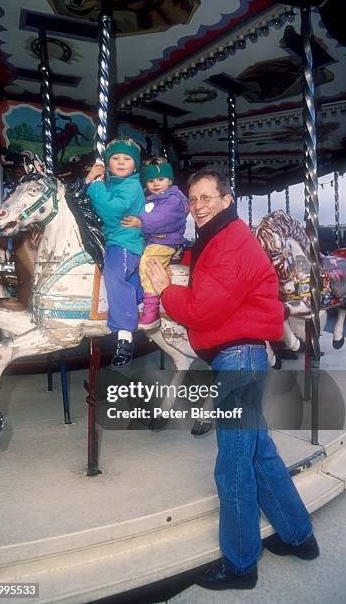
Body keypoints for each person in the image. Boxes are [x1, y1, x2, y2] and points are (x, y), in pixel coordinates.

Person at [146, 169, 319, 591]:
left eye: (207, 197)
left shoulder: (229, 243)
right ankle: (299, 537)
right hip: (244, 355)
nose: (199, 205)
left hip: (238, 358)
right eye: (193, 199)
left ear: (226, 200)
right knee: (259, 452)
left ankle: (241, 564)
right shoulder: (217, 240)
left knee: (234, 465)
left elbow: (203, 309)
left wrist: (166, 291)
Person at [85, 137, 145, 367]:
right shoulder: (112, 184)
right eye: (115, 158)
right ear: (108, 164)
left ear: (135, 165)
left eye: (127, 159)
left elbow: (112, 210)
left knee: (114, 276)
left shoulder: (131, 186)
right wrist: (89, 181)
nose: (121, 162)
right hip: (111, 240)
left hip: (125, 243)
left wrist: (96, 186)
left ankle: (125, 336)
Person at [121, 157, 188, 329]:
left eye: (160, 179)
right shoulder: (150, 199)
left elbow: (163, 217)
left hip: (167, 241)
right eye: (151, 180)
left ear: (170, 180)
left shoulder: (175, 199)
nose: (156, 183)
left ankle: (151, 311)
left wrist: (141, 222)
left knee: (148, 263)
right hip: (152, 240)